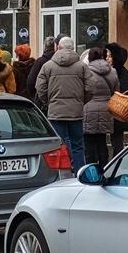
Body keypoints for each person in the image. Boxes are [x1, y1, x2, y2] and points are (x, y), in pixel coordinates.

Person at [37, 37, 91, 172]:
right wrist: (81, 101)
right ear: (73, 48)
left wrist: (48, 102)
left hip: (56, 113)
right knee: (78, 145)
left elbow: (40, 87)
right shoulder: (82, 66)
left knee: (57, 145)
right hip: (76, 113)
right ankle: (79, 173)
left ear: (58, 48)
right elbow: (91, 88)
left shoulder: (48, 66)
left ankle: (60, 173)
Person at [83, 47, 118, 166]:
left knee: (88, 142)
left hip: (88, 109)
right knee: (102, 141)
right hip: (106, 109)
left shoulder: (85, 71)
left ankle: (90, 169)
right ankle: (104, 167)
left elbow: (83, 90)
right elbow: (116, 91)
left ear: (89, 57)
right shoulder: (112, 71)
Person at [105, 42, 128, 156]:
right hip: (114, 112)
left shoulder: (120, 73)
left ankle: (117, 161)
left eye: (110, 56)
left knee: (117, 141)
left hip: (117, 111)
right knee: (115, 140)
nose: (107, 58)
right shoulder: (116, 71)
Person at [27, 36, 57, 103]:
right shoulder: (59, 61)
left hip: (43, 101)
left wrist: (34, 97)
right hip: (57, 98)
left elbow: (31, 81)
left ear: (45, 47)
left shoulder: (40, 61)